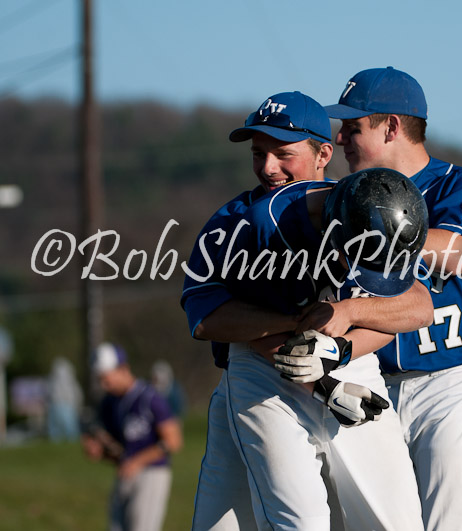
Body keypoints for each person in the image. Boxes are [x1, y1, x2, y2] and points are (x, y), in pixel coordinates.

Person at [181, 91, 430, 530]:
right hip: (263, 375)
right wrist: (311, 346)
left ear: (324, 154)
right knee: (295, 522)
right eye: (260, 154)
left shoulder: (364, 208)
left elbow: (415, 308)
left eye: (283, 153)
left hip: (346, 366)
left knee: (396, 522)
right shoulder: (241, 225)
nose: (268, 167)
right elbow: (211, 320)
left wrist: (342, 332)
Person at [326, 66, 462, 531]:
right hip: (368, 387)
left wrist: (379, 229)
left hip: (450, 388)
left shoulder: (460, 185)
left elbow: (460, 253)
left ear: (391, 126)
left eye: (353, 127)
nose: (341, 138)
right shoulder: (339, 202)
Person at [81, 342, 183, 531]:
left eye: (107, 378)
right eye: (100, 379)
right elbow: (118, 451)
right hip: (125, 474)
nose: (104, 384)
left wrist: (137, 461)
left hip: (153, 473)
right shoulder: (109, 403)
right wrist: (99, 450)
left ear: (123, 369)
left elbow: (174, 441)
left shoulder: (150, 398)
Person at [46, 356, 83, 441]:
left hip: (64, 404)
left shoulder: (54, 380)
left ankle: (67, 439)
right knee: (63, 426)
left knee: (67, 426)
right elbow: (77, 393)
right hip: (61, 404)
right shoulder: (55, 380)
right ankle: (65, 439)